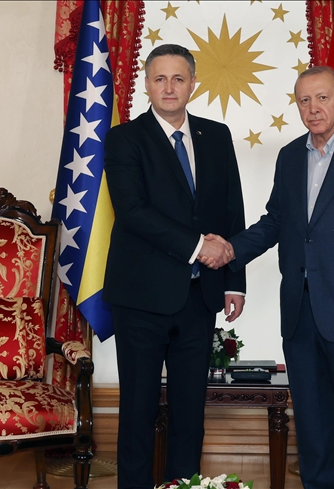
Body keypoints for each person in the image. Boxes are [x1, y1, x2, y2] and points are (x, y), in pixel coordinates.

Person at [209, 66, 334, 489]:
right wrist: (229, 248)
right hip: (300, 312)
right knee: (313, 428)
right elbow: (276, 221)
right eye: (304, 100)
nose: (313, 108)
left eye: (321, 98)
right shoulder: (290, 155)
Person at [102, 44, 247, 489]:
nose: (169, 87)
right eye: (160, 78)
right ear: (146, 84)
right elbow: (133, 211)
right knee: (139, 411)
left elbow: (230, 211)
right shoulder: (125, 139)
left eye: (178, 78)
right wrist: (198, 246)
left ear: (193, 84)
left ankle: (181, 486)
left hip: (198, 299)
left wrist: (234, 282)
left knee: (190, 412)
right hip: (141, 299)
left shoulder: (217, 136)